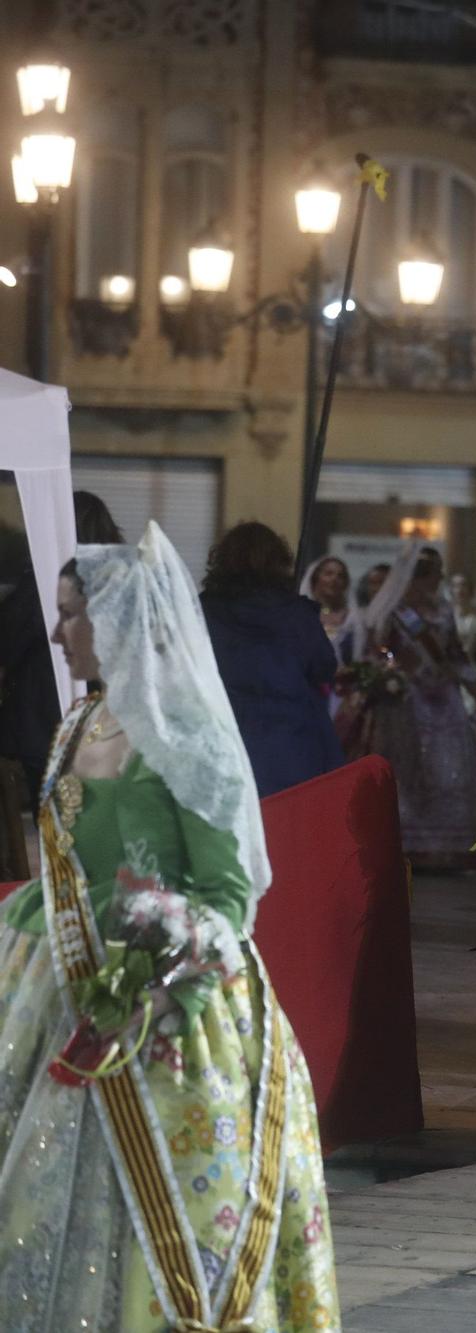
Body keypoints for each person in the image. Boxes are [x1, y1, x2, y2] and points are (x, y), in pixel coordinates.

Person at [0, 523, 339, 1327]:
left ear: (122, 619)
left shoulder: (188, 736)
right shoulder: (75, 726)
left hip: (171, 1004)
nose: (57, 632)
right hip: (55, 986)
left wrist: (171, 976)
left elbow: (227, 890)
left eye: (72, 613)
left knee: (176, 1217)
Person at [349, 544, 476, 864]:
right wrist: (394, 672)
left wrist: (475, 683)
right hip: (409, 699)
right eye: (435, 572)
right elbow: (377, 654)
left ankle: (452, 846)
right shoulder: (395, 612)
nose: (440, 577)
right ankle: (411, 843)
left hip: (444, 698)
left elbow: (455, 653)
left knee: (449, 767)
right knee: (414, 768)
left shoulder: (442, 610)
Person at [200, 520, 345, 797]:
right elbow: (324, 666)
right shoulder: (296, 614)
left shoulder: (201, 610)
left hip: (220, 737)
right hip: (290, 743)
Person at [0, 492, 124, 782]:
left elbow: (11, 638)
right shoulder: (121, 577)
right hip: (108, 720)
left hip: (45, 721)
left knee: (55, 817)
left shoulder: (46, 579)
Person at [299, 553, 354, 648]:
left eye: (340, 576)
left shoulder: (352, 618)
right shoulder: (300, 615)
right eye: (328, 574)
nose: (334, 579)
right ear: (315, 578)